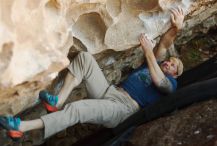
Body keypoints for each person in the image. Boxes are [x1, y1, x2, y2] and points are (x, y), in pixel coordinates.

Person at [0, 7, 184, 140]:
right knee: (85, 58)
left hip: (124, 109)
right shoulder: (155, 64)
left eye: (174, 66)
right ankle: (58, 101)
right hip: (110, 91)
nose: (169, 63)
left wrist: (148, 52)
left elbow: (160, 82)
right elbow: (166, 43)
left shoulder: (171, 84)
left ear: (175, 75)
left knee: (78, 109)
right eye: (170, 60)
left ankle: (21, 128)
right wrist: (177, 27)